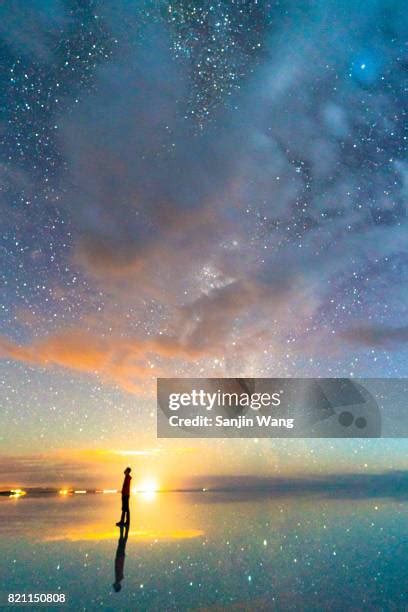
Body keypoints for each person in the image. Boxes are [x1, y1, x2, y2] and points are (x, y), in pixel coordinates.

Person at [112, 521, 130, 592]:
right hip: (120, 557)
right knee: (122, 541)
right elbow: (119, 566)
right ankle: (123, 528)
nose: (113, 586)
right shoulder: (118, 578)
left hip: (120, 557)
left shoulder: (119, 578)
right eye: (115, 587)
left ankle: (124, 528)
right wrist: (118, 558)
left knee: (122, 541)